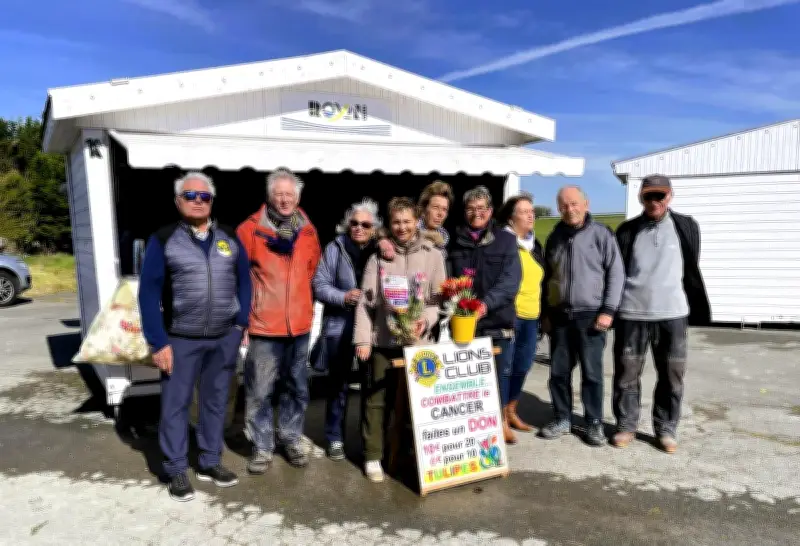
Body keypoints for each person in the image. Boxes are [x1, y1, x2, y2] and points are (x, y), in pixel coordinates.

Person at [139, 172, 251, 502]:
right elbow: (148, 293)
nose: (198, 201)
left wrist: (239, 325)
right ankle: (175, 468)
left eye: (204, 196)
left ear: (212, 202)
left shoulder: (229, 238)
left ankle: (209, 462)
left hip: (223, 338)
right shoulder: (163, 239)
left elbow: (245, 282)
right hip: (180, 339)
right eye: (190, 195)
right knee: (176, 405)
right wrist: (158, 342)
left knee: (216, 402)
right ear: (178, 201)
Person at [612, 174, 711, 453]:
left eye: (660, 196)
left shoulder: (686, 226)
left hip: (673, 314)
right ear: (640, 198)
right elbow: (617, 272)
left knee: (672, 376)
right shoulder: (627, 230)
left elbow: (690, 265)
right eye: (648, 196)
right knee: (626, 376)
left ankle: (666, 428)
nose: (654, 201)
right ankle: (626, 425)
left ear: (670, 196)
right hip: (632, 314)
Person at [353, 197, 446, 482]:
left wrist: (426, 321)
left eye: (407, 221)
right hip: (383, 341)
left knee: (414, 402)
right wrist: (362, 340)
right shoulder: (377, 257)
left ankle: (412, 453)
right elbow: (366, 303)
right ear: (389, 224)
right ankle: (372, 456)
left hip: (417, 344)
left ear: (417, 220)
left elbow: (437, 300)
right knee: (376, 400)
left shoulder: (433, 255)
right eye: (396, 222)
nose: (402, 227)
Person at [237, 168, 321, 472]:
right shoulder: (249, 230)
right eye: (278, 194)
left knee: (296, 387)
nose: (284, 200)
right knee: (260, 390)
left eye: (289, 194)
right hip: (263, 325)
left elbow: (311, 271)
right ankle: (261, 447)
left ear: (297, 197)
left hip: (298, 326)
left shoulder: (308, 231)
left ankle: (290, 438)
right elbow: (239, 278)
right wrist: (243, 317)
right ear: (269, 196)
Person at [539, 185, 624, 447]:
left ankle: (593, 423)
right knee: (559, 372)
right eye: (564, 205)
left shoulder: (601, 235)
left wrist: (608, 310)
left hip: (592, 316)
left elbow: (616, 274)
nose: (569, 209)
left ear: (586, 205)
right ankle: (562, 417)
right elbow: (548, 279)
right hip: (561, 317)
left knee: (592, 374)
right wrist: (547, 312)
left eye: (574, 203)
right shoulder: (554, 237)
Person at [447, 185, 521, 444]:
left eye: (481, 208)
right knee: (468, 380)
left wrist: (485, 305)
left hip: (496, 321)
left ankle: (500, 422)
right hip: (464, 325)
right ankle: (473, 427)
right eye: (470, 208)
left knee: (499, 376)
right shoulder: (453, 240)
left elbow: (510, 281)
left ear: (490, 211)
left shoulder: (507, 240)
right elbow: (448, 279)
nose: (476, 213)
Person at [311, 199, 380, 461]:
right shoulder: (335, 247)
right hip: (340, 326)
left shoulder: (380, 250)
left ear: (374, 228)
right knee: (337, 385)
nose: (359, 228)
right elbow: (319, 284)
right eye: (354, 223)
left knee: (370, 386)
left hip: (371, 330)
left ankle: (367, 440)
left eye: (365, 224)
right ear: (346, 224)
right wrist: (343, 296)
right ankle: (334, 437)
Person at [497, 193, 545, 437]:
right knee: (505, 368)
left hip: (532, 316)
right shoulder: (503, 242)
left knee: (523, 366)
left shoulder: (535, 245)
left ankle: (512, 410)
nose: (531, 215)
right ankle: (500, 417)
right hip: (511, 316)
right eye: (524, 211)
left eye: (532, 210)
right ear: (510, 217)